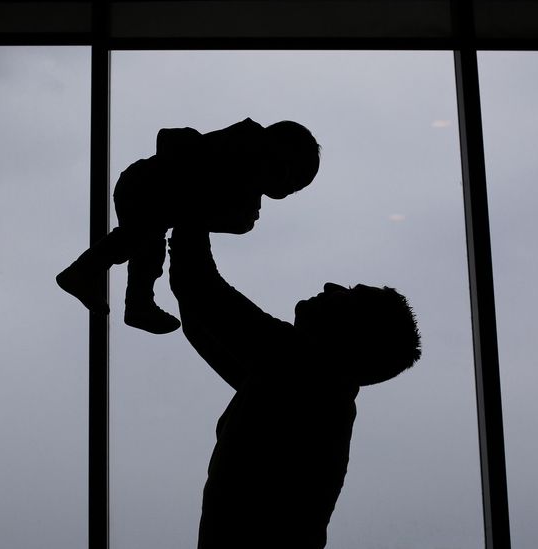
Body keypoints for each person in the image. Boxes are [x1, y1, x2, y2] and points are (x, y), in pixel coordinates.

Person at [167, 227, 421, 549]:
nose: (330, 286)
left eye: (350, 294)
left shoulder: (299, 368)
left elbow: (200, 291)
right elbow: (201, 312)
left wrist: (190, 215)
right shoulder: (316, 392)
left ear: (351, 331)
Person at [57, 118, 320, 334]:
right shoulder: (241, 147)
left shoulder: (243, 171)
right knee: (137, 238)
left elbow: (222, 216)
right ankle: (85, 274)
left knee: (146, 249)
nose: (284, 191)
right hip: (144, 186)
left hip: (149, 193)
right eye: (290, 181)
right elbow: (172, 140)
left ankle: (136, 303)